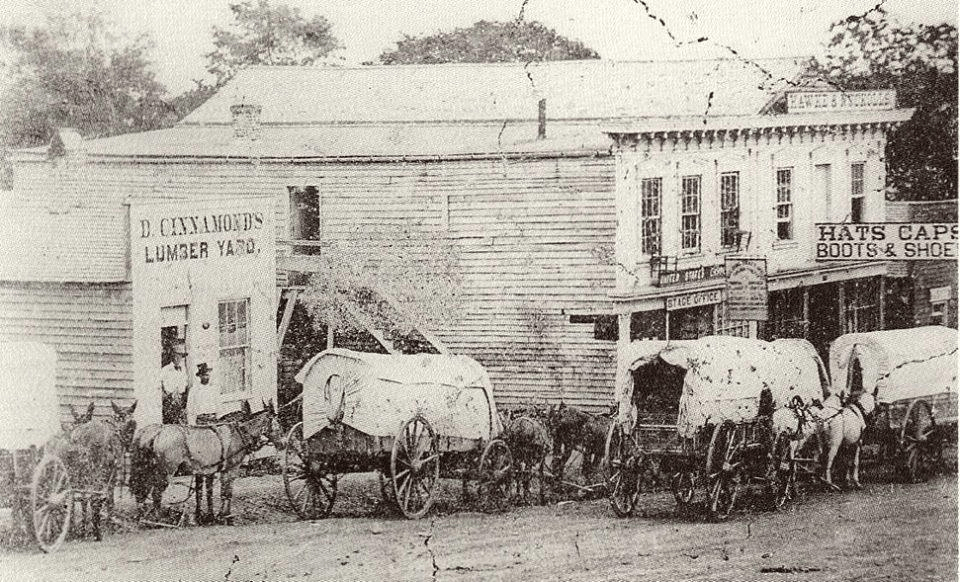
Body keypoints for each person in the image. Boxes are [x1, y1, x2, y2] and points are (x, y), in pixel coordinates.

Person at [160, 342, 188, 424]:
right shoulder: (166, 370)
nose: (180, 359)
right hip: (169, 400)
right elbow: (160, 384)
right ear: (174, 356)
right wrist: (167, 396)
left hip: (180, 400)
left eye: (182, 357)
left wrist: (181, 396)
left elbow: (185, 384)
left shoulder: (183, 370)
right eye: (179, 356)